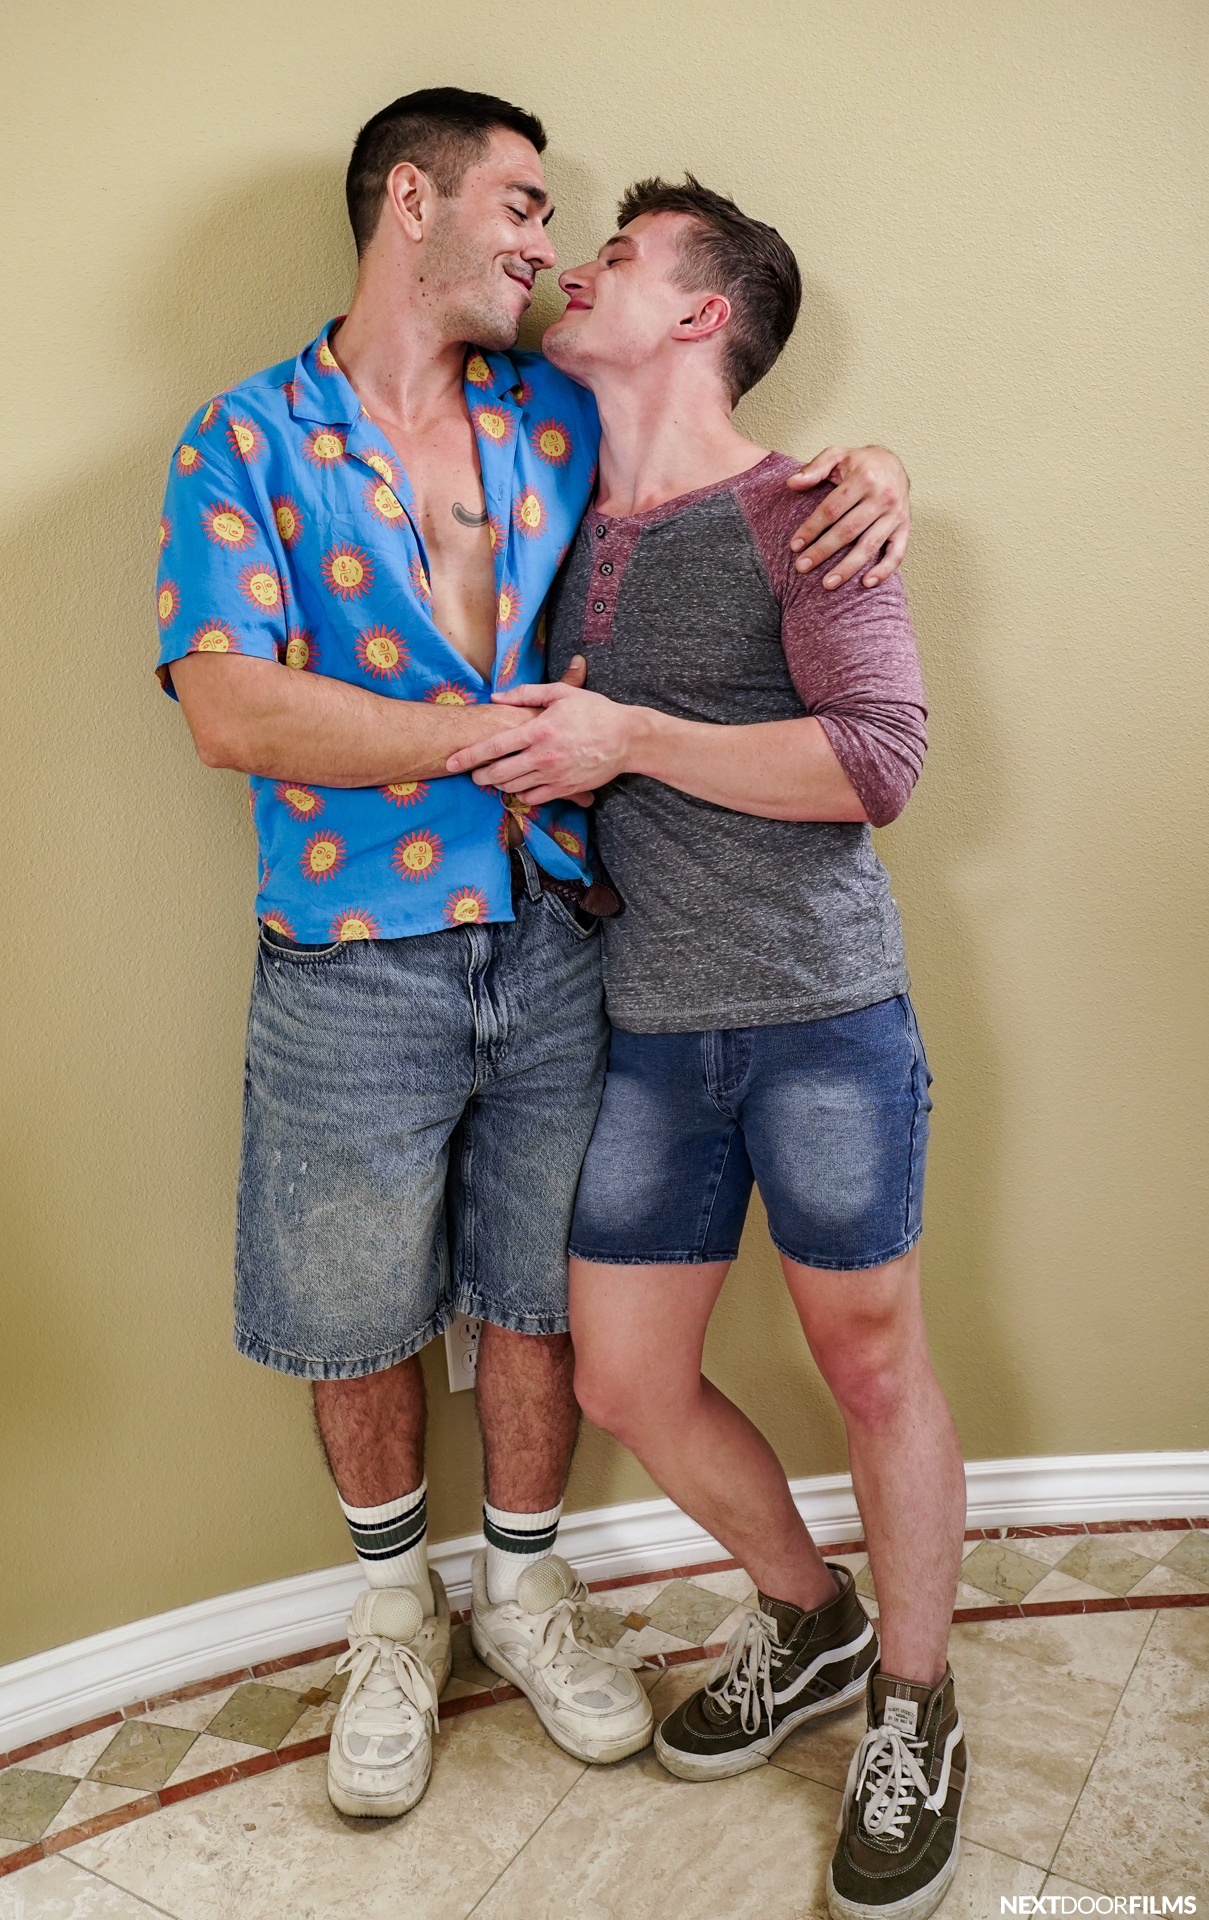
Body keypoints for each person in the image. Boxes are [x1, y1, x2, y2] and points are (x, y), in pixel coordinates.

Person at [155, 89, 914, 1821]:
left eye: (568, 224)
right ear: (409, 202)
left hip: (569, 938)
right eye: (519, 205)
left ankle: (524, 1589)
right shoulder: (244, 438)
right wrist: (498, 739)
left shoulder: (553, 411)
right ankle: (390, 1619)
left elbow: (716, 434)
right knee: (354, 1310)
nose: (548, 247)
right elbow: (230, 708)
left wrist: (874, 468)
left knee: (534, 1298)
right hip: (348, 948)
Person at [448, 178, 966, 1919]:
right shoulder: (546, 507)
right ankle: (811, 1621)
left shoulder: (802, 508)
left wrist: (629, 738)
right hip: (649, 1036)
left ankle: (916, 1707)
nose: (573, 268)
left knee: (874, 1368)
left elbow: (878, 761)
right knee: (625, 1382)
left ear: (699, 312)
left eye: (617, 255)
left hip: (823, 1019)